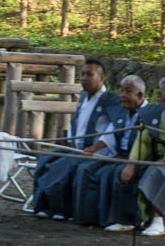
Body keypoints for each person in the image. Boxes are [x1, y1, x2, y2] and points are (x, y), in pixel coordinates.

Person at [33, 59, 121, 220]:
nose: (84, 78)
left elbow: (113, 129)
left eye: (89, 74)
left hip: (97, 152)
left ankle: (63, 209)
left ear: (101, 78)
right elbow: (77, 121)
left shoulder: (111, 100)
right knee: (47, 160)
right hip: (76, 146)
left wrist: (95, 148)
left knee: (64, 166)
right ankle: (45, 205)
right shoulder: (83, 96)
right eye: (82, 74)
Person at [107, 75, 165, 236]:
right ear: (159, 95)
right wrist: (132, 163)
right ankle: (127, 219)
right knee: (124, 171)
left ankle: (157, 220)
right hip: (157, 161)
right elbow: (143, 141)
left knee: (158, 171)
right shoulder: (152, 114)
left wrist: (164, 161)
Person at [71, 74, 147, 226]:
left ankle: (119, 219)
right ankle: (88, 217)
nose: (122, 96)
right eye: (121, 91)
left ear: (139, 94)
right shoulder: (122, 112)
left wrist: (131, 161)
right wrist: (93, 148)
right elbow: (109, 135)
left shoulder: (150, 114)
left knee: (106, 174)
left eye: (127, 91)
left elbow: (145, 144)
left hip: (136, 159)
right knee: (85, 169)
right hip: (118, 156)